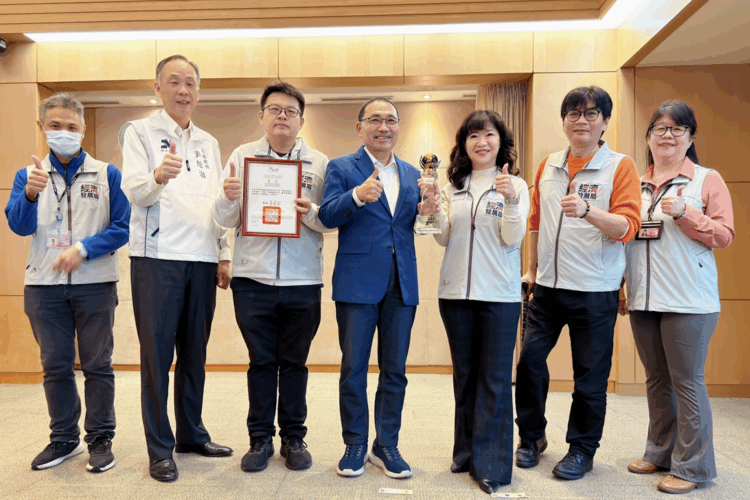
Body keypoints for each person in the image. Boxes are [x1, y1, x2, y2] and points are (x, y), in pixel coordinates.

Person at [515, 85, 642, 480]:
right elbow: (536, 222)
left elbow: (628, 227)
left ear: (604, 121)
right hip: (547, 289)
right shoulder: (548, 165)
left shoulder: (619, 166)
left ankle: (582, 450)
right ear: (564, 121)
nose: (581, 121)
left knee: (589, 378)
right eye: (573, 114)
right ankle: (531, 437)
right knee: (529, 364)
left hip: (596, 290)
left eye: (590, 114)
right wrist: (532, 269)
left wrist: (588, 211)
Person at [119, 54, 233, 482]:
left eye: (190, 83)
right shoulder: (139, 131)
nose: (183, 90)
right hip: (157, 258)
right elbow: (134, 192)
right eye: (174, 82)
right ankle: (159, 448)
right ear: (158, 88)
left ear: (198, 91)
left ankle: (191, 434)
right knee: (157, 357)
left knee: (194, 353)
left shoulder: (208, 141)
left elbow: (217, 202)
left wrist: (223, 252)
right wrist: (157, 177)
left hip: (202, 259)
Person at [5, 93, 130, 473]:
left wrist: (83, 248)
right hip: (44, 285)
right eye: (55, 126)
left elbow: (122, 227)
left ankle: (100, 439)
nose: (64, 132)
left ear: (83, 129)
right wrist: (30, 194)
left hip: (95, 284)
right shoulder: (28, 176)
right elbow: (18, 225)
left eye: (71, 126)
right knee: (56, 367)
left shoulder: (107, 174)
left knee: (97, 365)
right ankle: (63, 438)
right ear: (42, 128)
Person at [213, 82, 333, 473]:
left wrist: (309, 210)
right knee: (261, 362)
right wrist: (228, 197)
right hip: (253, 280)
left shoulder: (319, 163)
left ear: (302, 119)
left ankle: (294, 438)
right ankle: (260, 439)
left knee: (295, 363)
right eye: (275, 109)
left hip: (303, 280)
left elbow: (329, 221)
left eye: (290, 111)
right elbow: (224, 219)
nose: (283, 116)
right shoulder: (242, 156)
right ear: (261, 115)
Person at [318, 97, 439, 479]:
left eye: (390, 120)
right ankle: (355, 443)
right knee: (354, 368)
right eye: (375, 120)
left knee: (395, 370)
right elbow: (326, 215)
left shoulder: (414, 173)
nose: (383, 127)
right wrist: (357, 196)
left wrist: (427, 213)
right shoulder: (342, 167)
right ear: (360, 127)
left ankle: (386, 445)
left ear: (398, 127)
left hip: (402, 282)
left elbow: (416, 227)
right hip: (356, 283)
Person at [623, 100, 734, 494]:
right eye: (660, 128)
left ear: (690, 137)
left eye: (677, 128)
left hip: (689, 302)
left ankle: (693, 467)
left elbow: (724, 235)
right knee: (657, 381)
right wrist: (623, 286)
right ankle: (660, 452)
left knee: (687, 382)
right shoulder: (635, 184)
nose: (667, 135)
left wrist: (687, 213)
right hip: (643, 299)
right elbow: (626, 239)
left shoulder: (707, 179)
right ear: (649, 136)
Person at [433, 110, 529, 494]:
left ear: (500, 141)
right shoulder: (453, 186)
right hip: (454, 294)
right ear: (464, 144)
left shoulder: (515, 185)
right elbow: (443, 238)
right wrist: (431, 210)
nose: (481, 142)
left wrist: (510, 201)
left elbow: (512, 238)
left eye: (488, 134)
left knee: (494, 380)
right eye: (473, 136)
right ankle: (466, 453)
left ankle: (491, 465)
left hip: (499, 296)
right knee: (465, 377)